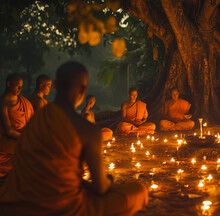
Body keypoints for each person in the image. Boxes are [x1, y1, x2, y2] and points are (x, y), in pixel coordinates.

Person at [0, 61, 148, 215]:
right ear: (83, 89)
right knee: (138, 190)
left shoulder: (39, 118)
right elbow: (100, 188)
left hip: (22, 201)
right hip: (63, 206)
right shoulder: (86, 129)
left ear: (56, 85)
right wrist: (108, 182)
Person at [0, 74, 34, 178]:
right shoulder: (3, 103)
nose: (20, 88)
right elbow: (8, 131)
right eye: (17, 85)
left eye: (21, 86)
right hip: (9, 142)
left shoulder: (24, 102)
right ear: (9, 84)